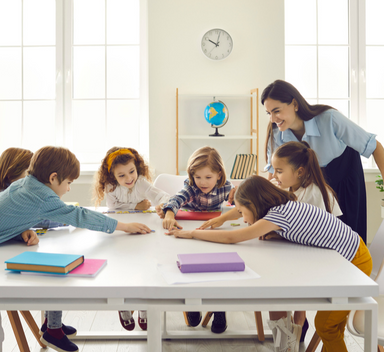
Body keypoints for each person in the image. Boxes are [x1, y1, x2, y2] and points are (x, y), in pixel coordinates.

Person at [0, 146, 151, 352]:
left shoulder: (25, 184)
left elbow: (0, 215)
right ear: (53, 178)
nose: (68, 189)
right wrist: (123, 226)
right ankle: (51, 325)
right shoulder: (42, 196)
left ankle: (52, 324)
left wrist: (22, 229)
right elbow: (78, 215)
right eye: (68, 183)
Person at [168, 175, 373, 352]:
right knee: (331, 325)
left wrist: (193, 233)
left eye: (241, 211)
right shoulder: (283, 206)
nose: (243, 217)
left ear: (253, 204)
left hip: (354, 262)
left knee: (326, 325)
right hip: (350, 254)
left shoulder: (278, 215)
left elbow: (234, 238)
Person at [200, 141, 343, 343]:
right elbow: (255, 204)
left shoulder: (316, 193)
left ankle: (297, 321)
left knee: (273, 278)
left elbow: (315, 233)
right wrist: (223, 218)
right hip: (295, 253)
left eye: (278, 171)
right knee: (269, 274)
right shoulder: (286, 188)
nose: (273, 176)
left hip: (318, 258)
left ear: (299, 171)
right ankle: (284, 338)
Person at [262, 79, 384, 243]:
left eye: (276, 111)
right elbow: (274, 175)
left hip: (345, 179)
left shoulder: (329, 119)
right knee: (312, 238)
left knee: (346, 239)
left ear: (294, 104)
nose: (272, 118)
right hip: (310, 186)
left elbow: (374, 146)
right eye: (268, 113)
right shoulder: (276, 133)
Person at [157, 146, 233, 334]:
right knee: (189, 267)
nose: (202, 182)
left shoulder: (227, 188)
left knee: (218, 269)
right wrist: (168, 214)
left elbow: (239, 206)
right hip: (189, 233)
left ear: (219, 174)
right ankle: (192, 303)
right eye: (198, 177)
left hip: (214, 232)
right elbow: (176, 199)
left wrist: (236, 204)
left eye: (208, 177)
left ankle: (219, 309)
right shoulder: (191, 187)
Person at [92, 146, 170, 331]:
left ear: (137, 168)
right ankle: (123, 306)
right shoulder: (110, 187)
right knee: (121, 269)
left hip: (143, 231)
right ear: (112, 176)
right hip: (120, 231)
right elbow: (114, 210)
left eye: (132, 172)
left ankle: (144, 308)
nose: (129, 178)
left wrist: (164, 205)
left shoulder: (141, 182)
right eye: (122, 176)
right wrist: (137, 207)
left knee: (146, 267)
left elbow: (161, 195)